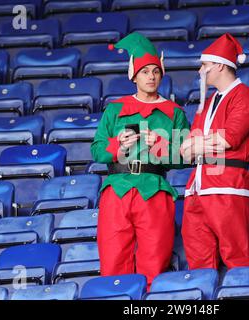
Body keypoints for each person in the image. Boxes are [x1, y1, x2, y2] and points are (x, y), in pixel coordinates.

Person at [91, 32, 190, 288]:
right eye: (145, 71)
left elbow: (184, 156)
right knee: (113, 262)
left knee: (154, 263)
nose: (151, 77)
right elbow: (97, 150)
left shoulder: (174, 112)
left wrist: (158, 145)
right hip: (117, 188)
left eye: (155, 71)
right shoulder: (115, 109)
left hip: (154, 190)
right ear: (134, 75)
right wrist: (118, 144)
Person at [180, 33, 249, 270]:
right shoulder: (205, 103)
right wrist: (196, 146)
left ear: (218, 65)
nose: (200, 71)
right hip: (196, 187)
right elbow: (186, 151)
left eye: (204, 65)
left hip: (228, 186)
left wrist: (196, 146)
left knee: (236, 257)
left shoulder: (246, 97)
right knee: (198, 263)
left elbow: (229, 139)